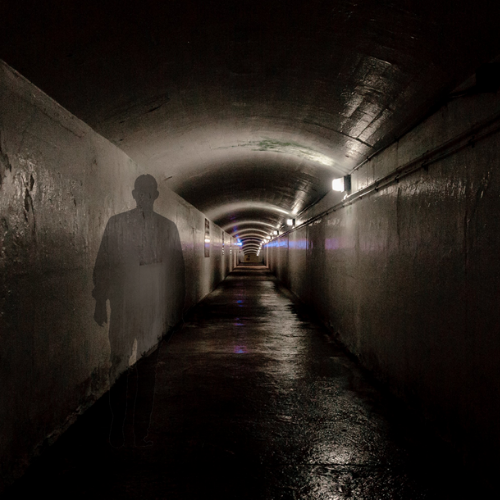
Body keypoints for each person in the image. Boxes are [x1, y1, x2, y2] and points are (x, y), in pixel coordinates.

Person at [92, 174, 185, 447]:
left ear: (154, 196)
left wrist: (173, 316)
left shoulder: (167, 229)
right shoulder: (116, 224)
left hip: (152, 309)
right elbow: (104, 266)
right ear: (134, 195)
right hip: (123, 307)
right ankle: (118, 428)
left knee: (147, 369)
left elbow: (177, 274)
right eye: (140, 193)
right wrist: (100, 302)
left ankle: (141, 429)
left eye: (148, 193)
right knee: (119, 365)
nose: (143, 198)